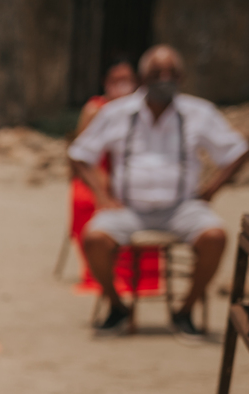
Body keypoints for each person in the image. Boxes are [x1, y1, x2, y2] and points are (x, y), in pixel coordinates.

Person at [69, 44, 249, 339]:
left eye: (171, 73)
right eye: (157, 73)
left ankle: (185, 311)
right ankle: (117, 308)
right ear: (142, 77)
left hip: (181, 207)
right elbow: (79, 153)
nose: (164, 79)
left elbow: (237, 150)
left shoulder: (198, 112)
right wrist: (102, 197)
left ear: (181, 77)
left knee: (216, 236)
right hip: (128, 209)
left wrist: (211, 190)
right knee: (93, 238)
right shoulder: (117, 112)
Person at [69, 59, 152, 293]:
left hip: (130, 180)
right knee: (86, 201)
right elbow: (82, 156)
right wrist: (102, 188)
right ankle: (101, 271)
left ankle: (142, 274)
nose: (121, 86)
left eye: (127, 81)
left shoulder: (144, 112)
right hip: (98, 178)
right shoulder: (96, 109)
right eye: (116, 81)